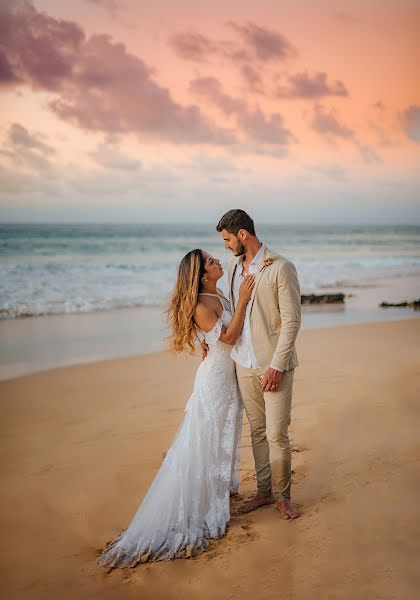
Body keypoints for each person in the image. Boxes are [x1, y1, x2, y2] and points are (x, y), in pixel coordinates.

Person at [96, 249, 254, 569]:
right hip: (215, 380)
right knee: (203, 440)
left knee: (224, 435)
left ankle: (216, 491)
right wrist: (246, 298)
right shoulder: (199, 305)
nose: (217, 262)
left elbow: (222, 337)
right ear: (201, 274)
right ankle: (198, 505)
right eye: (211, 261)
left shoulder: (218, 293)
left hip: (226, 374)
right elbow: (229, 335)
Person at [216, 209, 301, 520]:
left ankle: (283, 497)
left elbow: (291, 321)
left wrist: (277, 366)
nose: (225, 246)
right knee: (258, 431)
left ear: (242, 235)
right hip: (243, 363)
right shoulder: (233, 268)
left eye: (227, 239)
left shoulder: (281, 267)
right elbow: (230, 312)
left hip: (272, 364)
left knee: (277, 434)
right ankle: (264, 492)